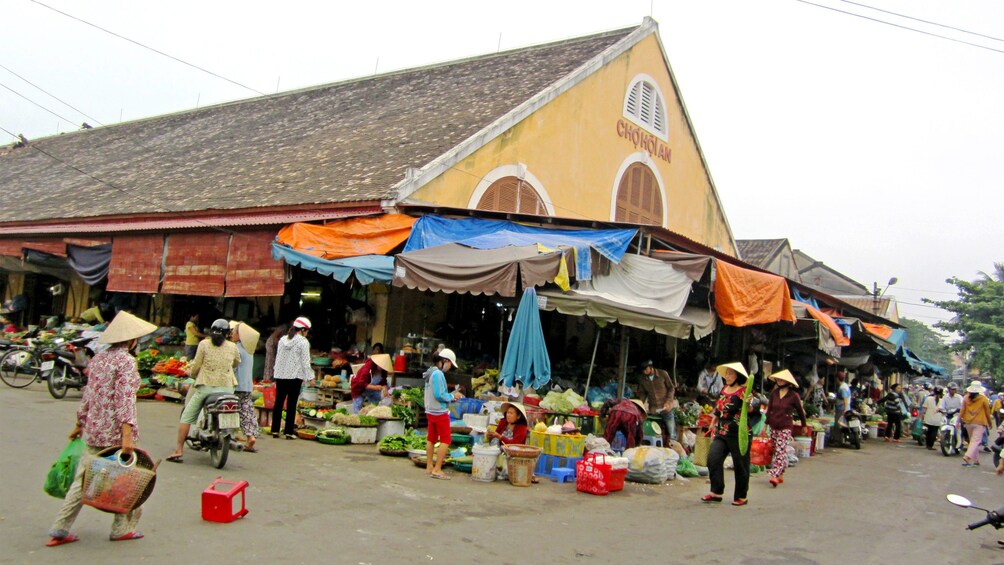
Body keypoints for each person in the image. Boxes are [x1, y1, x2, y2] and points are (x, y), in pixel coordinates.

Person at [46, 311, 157, 547]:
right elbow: (125, 401)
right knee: (128, 481)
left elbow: (88, 395)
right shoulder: (126, 362)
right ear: (131, 340)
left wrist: (79, 423)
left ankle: (60, 526)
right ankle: (121, 528)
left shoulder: (99, 359)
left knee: (83, 479)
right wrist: (127, 436)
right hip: (116, 433)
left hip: (95, 430)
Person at [167, 319, 240, 462]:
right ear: (227, 333)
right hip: (227, 389)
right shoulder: (232, 347)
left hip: (206, 387)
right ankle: (231, 434)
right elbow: (236, 362)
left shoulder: (204, 344)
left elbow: (196, 366)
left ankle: (178, 449)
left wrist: (193, 375)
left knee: (187, 416)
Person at [703, 362, 751, 506]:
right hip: (722, 432)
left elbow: (751, 408)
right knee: (713, 458)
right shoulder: (724, 389)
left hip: (739, 434)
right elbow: (719, 408)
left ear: (738, 376)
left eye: (731, 374)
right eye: (727, 374)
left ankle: (741, 496)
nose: (727, 376)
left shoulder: (744, 391)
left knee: (740, 465)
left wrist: (749, 404)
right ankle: (716, 492)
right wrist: (713, 421)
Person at [270, 317, 313, 439]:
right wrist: (310, 377)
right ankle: (288, 431)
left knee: (278, 402)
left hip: (280, 375)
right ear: (303, 330)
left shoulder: (283, 340)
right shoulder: (303, 342)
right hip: (295, 376)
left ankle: (275, 430)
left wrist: (276, 372)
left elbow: (278, 358)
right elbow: (305, 362)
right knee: (291, 404)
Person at [424, 348, 463, 479]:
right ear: (445, 361)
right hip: (439, 412)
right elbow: (439, 394)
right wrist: (453, 396)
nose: (449, 367)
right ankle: (437, 469)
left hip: (430, 410)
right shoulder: (438, 374)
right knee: (446, 440)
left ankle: (429, 466)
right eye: (450, 364)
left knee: (431, 438)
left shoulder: (430, 372)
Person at [765, 369, 807, 487]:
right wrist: (766, 424)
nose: (779, 381)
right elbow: (769, 409)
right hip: (773, 424)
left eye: (782, 379)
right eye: (778, 379)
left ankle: (775, 475)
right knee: (776, 449)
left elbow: (800, 411)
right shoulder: (774, 393)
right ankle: (781, 472)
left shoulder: (794, 396)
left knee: (780, 449)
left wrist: (804, 425)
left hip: (786, 426)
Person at [230, 321, 261, 452]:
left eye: (234, 332)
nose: (232, 334)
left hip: (236, 385)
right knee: (247, 412)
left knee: (230, 410)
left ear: (240, 335)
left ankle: (230, 435)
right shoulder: (249, 350)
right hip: (247, 386)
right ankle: (250, 437)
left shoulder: (235, 348)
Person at [636, 360, 677, 445]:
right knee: (654, 432)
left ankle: (675, 448)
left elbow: (671, 388)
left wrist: (668, 402)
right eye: (643, 370)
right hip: (654, 409)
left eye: (646, 369)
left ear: (651, 367)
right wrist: (640, 406)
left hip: (666, 408)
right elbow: (643, 394)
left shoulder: (663, 374)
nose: (644, 371)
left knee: (671, 432)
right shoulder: (643, 379)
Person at [961, 380, 992, 468]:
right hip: (979, 423)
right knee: (976, 441)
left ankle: (976, 460)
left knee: (973, 441)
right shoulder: (983, 399)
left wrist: (958, 421)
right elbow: (987, 413)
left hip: (968, 423)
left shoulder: (966, 397)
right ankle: (967, 456)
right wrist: (990, 423)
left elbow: (962, 410)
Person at [831, 371, 852, 446]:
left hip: (842, 409)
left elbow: (845, 399)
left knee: (838, 425)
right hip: (843, 408)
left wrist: (845, 409)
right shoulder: (845, 385)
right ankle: (840, 440)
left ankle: (837, 441)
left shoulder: (842, 388)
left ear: (837, 378)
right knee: (841, 425)